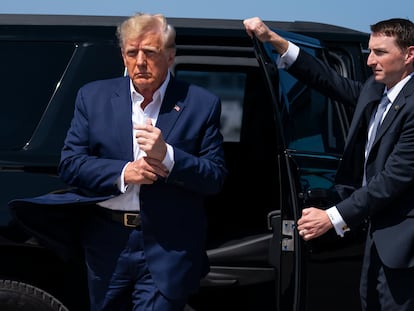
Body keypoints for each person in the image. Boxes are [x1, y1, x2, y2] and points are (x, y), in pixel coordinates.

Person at [12, 12, 227, 311]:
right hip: (107, 242)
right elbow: (71, 164)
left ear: (170, 55)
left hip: (168, 244)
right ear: (123, 56)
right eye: (132, 52)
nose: (140, 61)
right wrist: (125, 172)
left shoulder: (201, 104)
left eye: (150, 52)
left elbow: (214, 176)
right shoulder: (93, 97)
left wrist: (167, 155)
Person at [244, 16, 414, 310]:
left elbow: (391, 180)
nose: (370, 60)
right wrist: (274, 41)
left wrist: (331, 217)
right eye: (370, 51)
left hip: (403, 242)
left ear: (410, 54)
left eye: (380, 53)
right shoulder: (375, 91)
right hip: (374, 235)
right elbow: (327, 79)